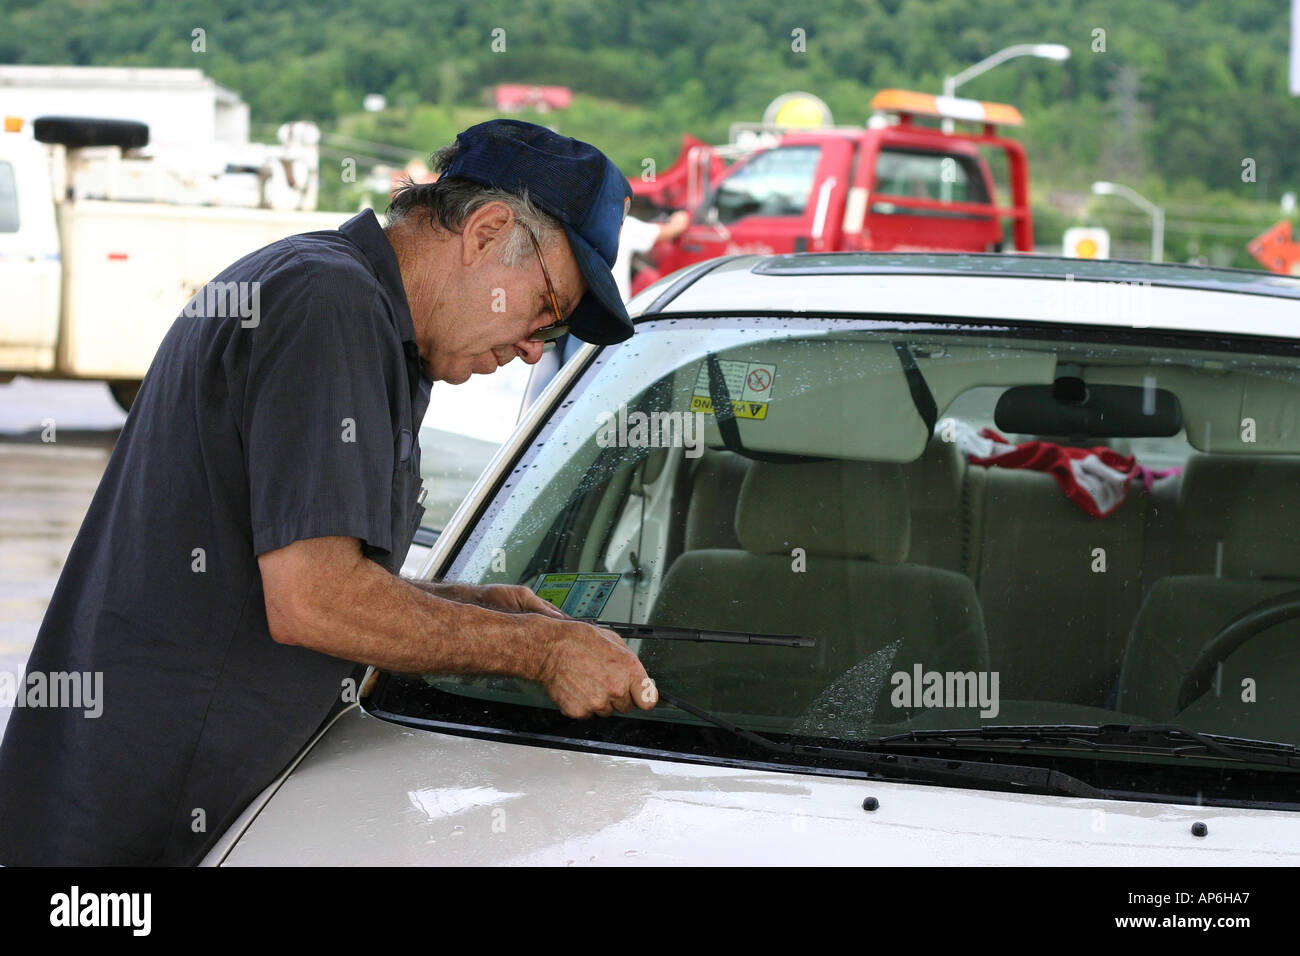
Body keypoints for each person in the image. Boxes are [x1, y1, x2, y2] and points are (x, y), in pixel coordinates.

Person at [0, 119, 657, 866]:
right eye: (545, 304)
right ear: (486, 231)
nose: (536, 343)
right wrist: (538, 653)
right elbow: (313, 597)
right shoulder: (329, 305)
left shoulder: (345, 302)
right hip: (141, 833)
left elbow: (308, 572)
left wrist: (472, 605)